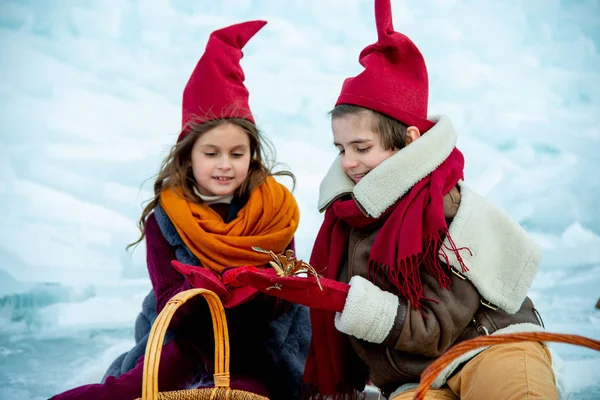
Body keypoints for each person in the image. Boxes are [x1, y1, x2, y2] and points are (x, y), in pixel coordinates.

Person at [239, 1, 558, 399]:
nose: (349, 163)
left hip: (488, 347)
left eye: (362, 147)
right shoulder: (347, 217)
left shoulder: (447, 209)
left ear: (408, 141)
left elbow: (432, 329)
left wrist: (337, 297)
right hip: (415, 378)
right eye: (340, 148)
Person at [51, 20, 310, 400]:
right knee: (131, 388)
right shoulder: (167, 219)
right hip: (186, 339)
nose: (225, 164)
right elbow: (168, 297)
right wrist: (207, 290)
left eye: (237, 154)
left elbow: (283, 294)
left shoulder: (273, 212)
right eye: (211, 153)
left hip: (260, 345)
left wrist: (256, 288)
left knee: (246, 391)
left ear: (252, 156)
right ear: (188, 157)